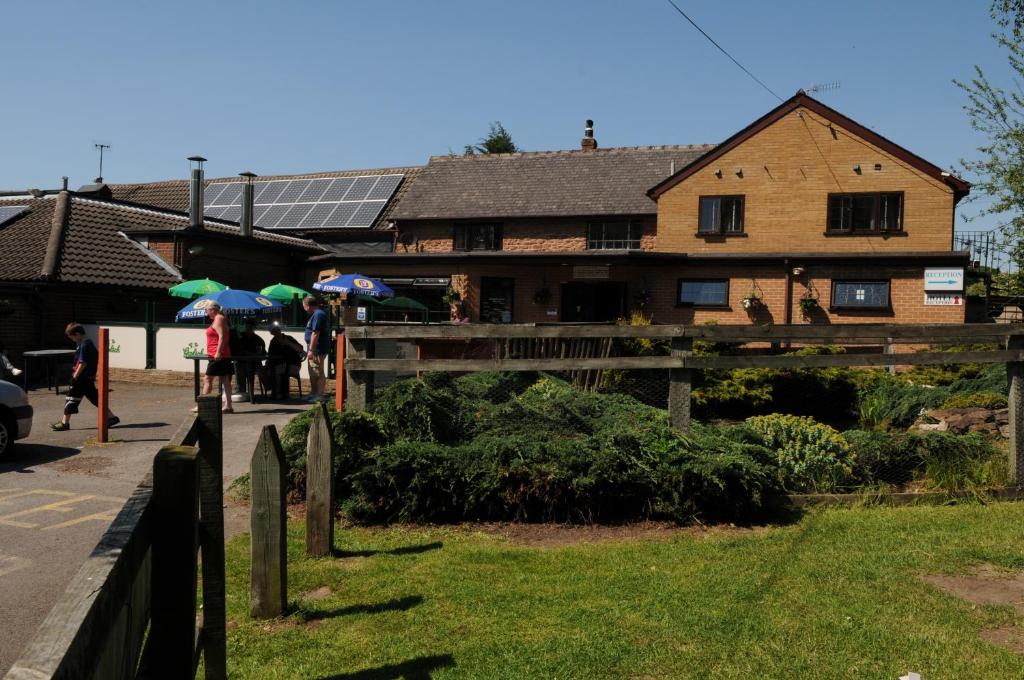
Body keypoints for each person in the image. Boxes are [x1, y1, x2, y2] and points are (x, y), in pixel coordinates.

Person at [51, 323, 119, 431]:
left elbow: (82, 363)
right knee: (95, 399)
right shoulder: (89, 343)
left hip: (81, 378)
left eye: (72, 337)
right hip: (88, 378)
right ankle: (111, 417)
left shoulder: (84, 345)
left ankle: (65, 423)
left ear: (77, 334)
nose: (72, 339)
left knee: (71, 398)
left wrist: (75, 377)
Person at [196, 301, 234, 414]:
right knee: (224, 379)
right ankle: (228, 406)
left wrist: (218, 352)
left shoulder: (218, 318)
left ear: (213, 310)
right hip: (220, 354)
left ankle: (202, 406)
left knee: (207, 379)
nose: (206, 313)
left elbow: (222, 337)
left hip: (218, 355)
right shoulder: (220, 318)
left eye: (207, 310)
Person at [263, 323, 304, 399]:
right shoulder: (273, 342)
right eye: (274, 331)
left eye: (277, 330)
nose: (276, 332)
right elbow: (270, 355)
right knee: (265, 370)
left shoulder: (289, 338)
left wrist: (287, 343)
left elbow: (300, 350)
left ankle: (278, 393)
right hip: (279, 363)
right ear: (272, 333)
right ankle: (275, 391)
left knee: (279, 369)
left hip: (293, 364)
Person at [232, 318, 267, 402]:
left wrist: (256, 355)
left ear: (254, 328)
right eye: (247, 327)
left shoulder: (258, 339)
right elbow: (237, 350)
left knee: (262, 369)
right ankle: (243, 392)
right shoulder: (240, 337)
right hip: (241, 362)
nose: (249, 328)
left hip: (254, 363)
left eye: (251, 327)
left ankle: (267, 389)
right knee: (239, 368)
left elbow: (263, 353)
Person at [303, 295, 330, 402]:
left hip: (317, 349)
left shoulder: (318, 314)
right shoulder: (316, 314)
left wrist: (311, 350)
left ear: (308, 305)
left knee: (317, 371)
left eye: (304, 306)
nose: (304, 309)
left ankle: (319, 395)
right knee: (313, 372)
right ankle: (314, 393)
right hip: (315, 348)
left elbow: (315, 333)